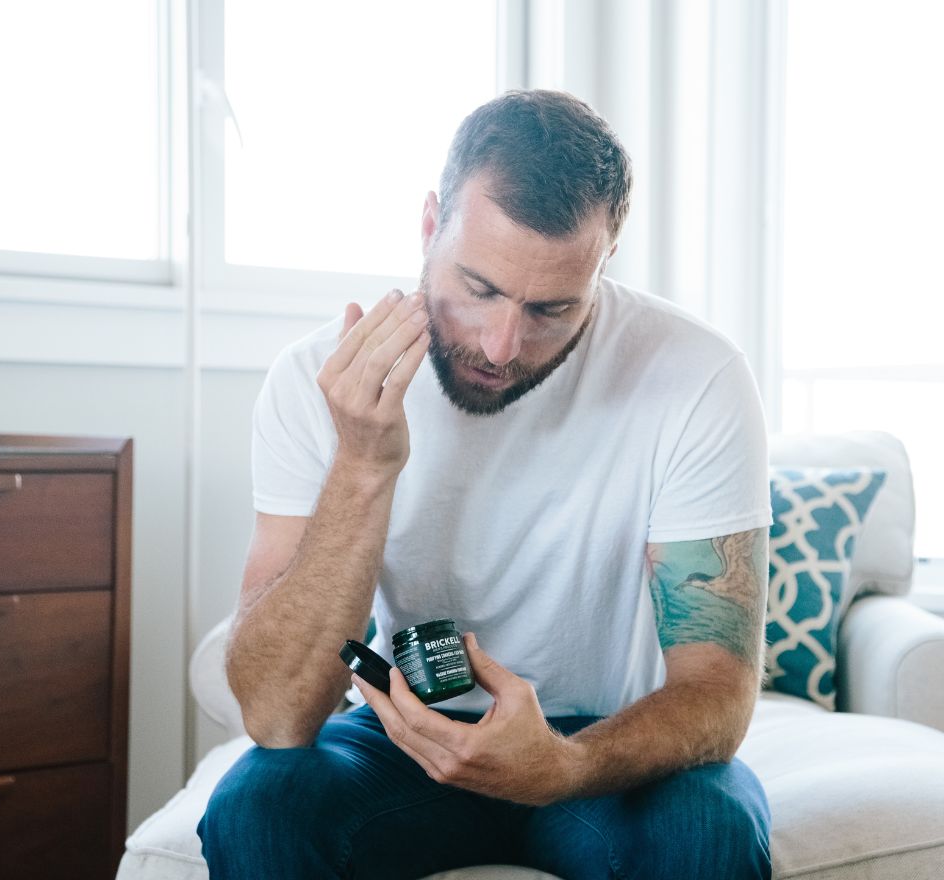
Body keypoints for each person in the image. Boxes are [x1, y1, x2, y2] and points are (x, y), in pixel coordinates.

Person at [198, 89, 773, 879]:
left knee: (709, 828)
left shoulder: (696, 377)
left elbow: (719, 691)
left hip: (602, 742)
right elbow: (275, 712)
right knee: (257, 809)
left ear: (604, 265)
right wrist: (364, 466)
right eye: (480, 289)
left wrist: (564, 768)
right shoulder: (312, 381)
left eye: (551, 308)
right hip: (402, 744)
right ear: (431, 225)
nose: (503, 346)